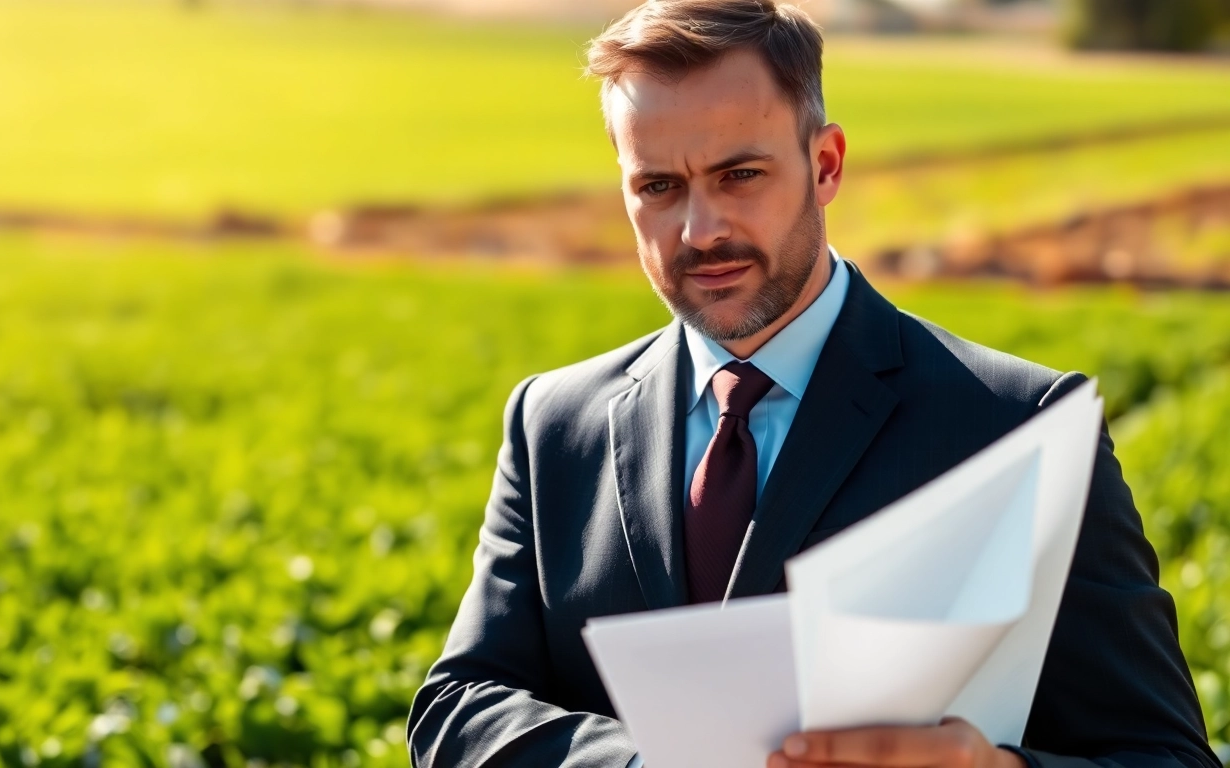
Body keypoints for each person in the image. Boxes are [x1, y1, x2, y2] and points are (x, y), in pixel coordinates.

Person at [405, 2, 1218, 767]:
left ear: (824, 164)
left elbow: (1165, 754)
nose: (701, 230)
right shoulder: (554, 421)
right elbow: (457, 708)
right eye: (659, 187)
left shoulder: (1018, 424)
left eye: (740, 175)